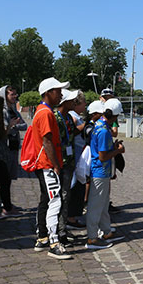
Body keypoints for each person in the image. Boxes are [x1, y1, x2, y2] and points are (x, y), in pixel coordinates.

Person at [32, 77, 72, 259]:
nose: (61, 94)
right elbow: (47, 141)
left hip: (43, 163)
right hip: (48, 164)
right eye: (58, 90)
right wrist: (56, 165)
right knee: (55, 201)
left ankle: (42, 237)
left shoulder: (41, 111)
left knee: (45, 200)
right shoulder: (46, 113)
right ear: (48, 93)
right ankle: (54, 243)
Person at [86, 98, 127, 250]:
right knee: (96, 206)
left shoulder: (99, 125)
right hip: (100, 171)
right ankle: (92, 237)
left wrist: (113, 147)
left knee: (102, 205)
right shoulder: (103, 130)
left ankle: (107, 231)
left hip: (101, 171)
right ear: (114, 116)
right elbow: (103, 156)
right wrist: (118, 151)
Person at [0, 85, 27, 216]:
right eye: (12, 95)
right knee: (1, 178)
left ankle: (5, 202)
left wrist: (14, 126)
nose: (15, 97)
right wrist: (12, 126)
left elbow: (24, 125)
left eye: (15, 94)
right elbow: (4, 128)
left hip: (13, 146)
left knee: (8, 178)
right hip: (4, 148)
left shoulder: (14, 110)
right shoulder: (2, 111)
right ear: (5, 95)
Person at [55, 89, 79, 246]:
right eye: (72, 100)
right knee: (60, 197)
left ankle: (63, 227)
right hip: (60, 162)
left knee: (66, 196)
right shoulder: (56, 118)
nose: (74, 103)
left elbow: (72, 134)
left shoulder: (69, 117)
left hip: (69, 161)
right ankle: (58, 231)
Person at [66, 91, 88, 230]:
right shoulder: (72, 116)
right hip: (75, 154)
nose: (85, 105)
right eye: (83, 102)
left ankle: (72, 215)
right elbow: (73, 132)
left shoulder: (75, 116)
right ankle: (70, 217)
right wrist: (87, 123)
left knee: (78, 186)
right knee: (74, 187)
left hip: (79, 154)